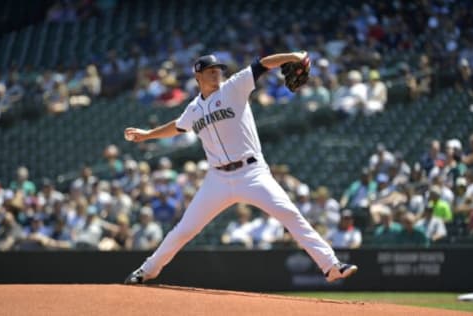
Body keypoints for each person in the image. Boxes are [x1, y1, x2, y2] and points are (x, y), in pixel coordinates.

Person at [123, 53, 357, 284]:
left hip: (252, 173)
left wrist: (293, 56)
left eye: (218, 70)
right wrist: (148, 135)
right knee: (185, 229)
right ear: (198, 76)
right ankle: (147, 270)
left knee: (290, 215)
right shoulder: (194, 108)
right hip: (217, 179)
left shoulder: (233, 87)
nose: (217, 74)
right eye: (211, 71)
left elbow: (262, 64)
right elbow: (178, 126)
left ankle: (332, 266)